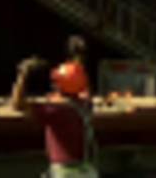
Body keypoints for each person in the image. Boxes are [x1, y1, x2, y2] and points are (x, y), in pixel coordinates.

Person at [10, 46, 98, 178]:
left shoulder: (54, 111)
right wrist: (78, 62)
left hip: (64, 172)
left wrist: (23, 73)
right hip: (87, 170)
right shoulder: (85, 105)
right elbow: (83, 87)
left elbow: (17, 104)